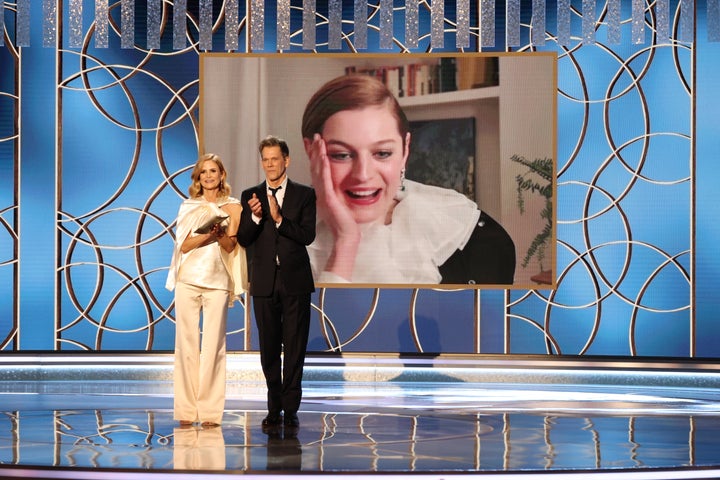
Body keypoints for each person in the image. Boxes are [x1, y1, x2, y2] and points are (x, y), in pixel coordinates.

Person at [301, 74, 516, 285]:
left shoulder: (472, 237)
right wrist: (345, 242)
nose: (363, 174)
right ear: (311, 151)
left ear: (405, 150)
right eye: (341, 155)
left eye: (382, 153)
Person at [237, 135, 317, 430]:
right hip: (264, 283)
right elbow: (244, 239)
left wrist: (280, 219)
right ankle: (274, 407)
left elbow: (308, 235)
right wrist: (257, 218)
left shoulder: (304, 195)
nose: (270, 164)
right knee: (269, 348)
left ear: (286, 160)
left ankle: (291, 407)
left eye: (275, 159)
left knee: (295, 347)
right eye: (265, 160)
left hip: (295, 282)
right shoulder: (251, 195)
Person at [166, 153, 247, 427]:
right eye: (203, 172)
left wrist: (220, 234)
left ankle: (211, 412)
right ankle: (187, 411)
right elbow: (185, 246)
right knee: (186, 346)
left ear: (222, 174)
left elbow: (230, 247)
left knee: (214, 347)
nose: (209, 176)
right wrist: (209, 234)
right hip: (188, 280)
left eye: (213, 171)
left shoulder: (234, 207)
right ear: (198, 178)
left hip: (217, 282)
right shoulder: (189, 206)